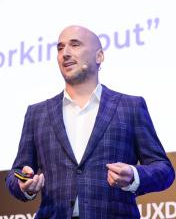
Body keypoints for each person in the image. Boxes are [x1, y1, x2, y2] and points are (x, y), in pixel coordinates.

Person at [6, 25, 175, 219]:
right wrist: (22, 184)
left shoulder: (131, 106)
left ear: (99, 56)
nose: (65, 53)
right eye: (60, 48)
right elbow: (16, 173)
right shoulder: (37, 113)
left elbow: (163, 169)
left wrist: (133, 175)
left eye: (75, 45)